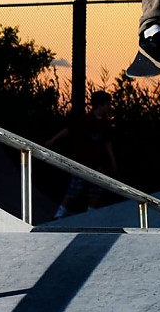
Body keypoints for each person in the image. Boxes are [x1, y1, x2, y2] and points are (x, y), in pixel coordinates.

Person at [47, 90, 119, 219]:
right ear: (99, 105)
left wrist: (112, 161)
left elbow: (107, 143)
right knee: (74, 189)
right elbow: (68, 130)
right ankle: (59, 213)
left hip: (97, 164)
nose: (109, 107)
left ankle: (89, 214)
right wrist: (53, 140)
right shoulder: (86, 120)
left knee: (96, 191)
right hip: (83, 162)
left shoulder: (105, 123)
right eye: (107, 104)